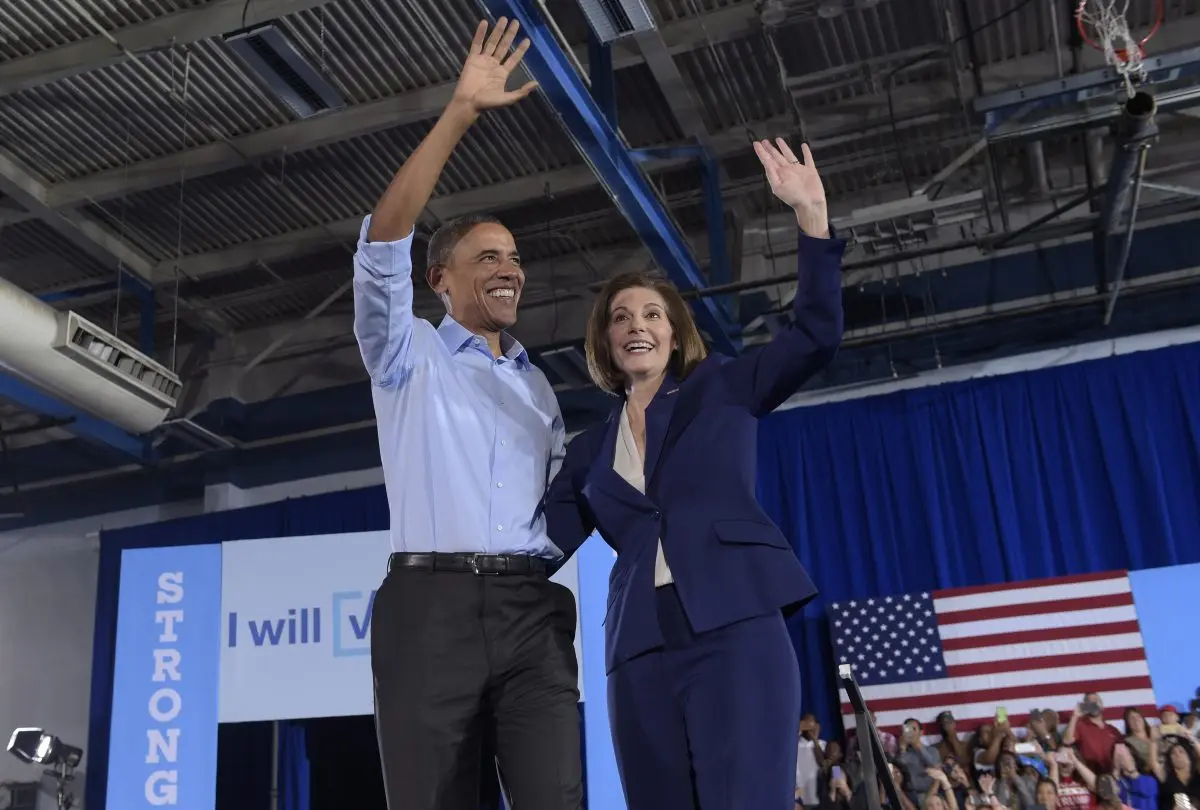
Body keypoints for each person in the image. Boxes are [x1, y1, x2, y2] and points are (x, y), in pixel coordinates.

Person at [544, 137, 844, 809]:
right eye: (620, 318)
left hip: (734, 630)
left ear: (676, 334)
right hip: (639, 650)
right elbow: (536, 546)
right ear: (606, 343)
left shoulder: (724, 390)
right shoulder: (591, 450)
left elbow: (816, 336)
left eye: (652, 314)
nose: (636, 325)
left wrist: (812, 216)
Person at [353, 18, 582, 810]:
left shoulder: (538, 389)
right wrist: (461, 112)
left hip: (531, 610)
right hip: (429, 612)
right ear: (440, 279)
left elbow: (566, 508)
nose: (510, 268)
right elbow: (382, 239)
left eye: (515, 257)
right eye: (488, 256)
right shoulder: (404, 351)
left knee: (558, 795)